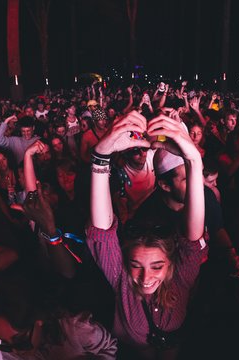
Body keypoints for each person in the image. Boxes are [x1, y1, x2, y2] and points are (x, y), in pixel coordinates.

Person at [87, 110, 207, 359]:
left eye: (156, 266)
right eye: (135, 265)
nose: (145, 277)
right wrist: (100, 156)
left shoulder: (181, 276)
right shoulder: (120, 278)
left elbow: (193, 237)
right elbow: (102, 232)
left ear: (172, 264)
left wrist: (194, 160)